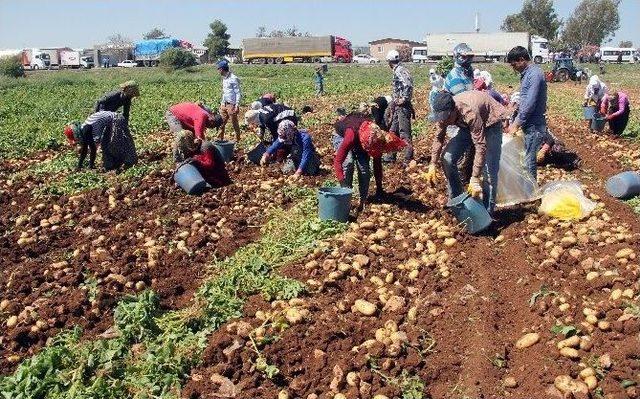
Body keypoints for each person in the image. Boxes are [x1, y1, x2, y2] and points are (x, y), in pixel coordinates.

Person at [425, 91, 508, 215]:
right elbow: (438, 138)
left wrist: (474, 178)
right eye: (441, 118)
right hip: (466, 126)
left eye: (447, 118)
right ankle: (458, 201)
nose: (444, 121)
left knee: (489, 171)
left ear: (454, 110)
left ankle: (486, 213)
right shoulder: (444, 115)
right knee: (447, 158)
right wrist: (432, 163)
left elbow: (480, 145)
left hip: (491, 122)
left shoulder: (470, 112)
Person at [506, 46, 548, 181]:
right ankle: (528, 189)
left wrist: (516, 123)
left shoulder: (534, 74)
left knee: (529, 160)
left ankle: (531, 194)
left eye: (514, 65)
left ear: (522, 59)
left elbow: (529, 103)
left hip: (533, 125)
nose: (514, 68)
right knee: (527, 158)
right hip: (530, 124)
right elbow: (524, 100)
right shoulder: (528, 74)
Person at [385, 49, 414, 164]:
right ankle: (391, 156)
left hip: (403, 107)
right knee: (393, 131)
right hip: (397, 107)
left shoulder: (400, 71)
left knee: (404, 133)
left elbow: (408, 84)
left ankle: (408, 159)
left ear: (389, 62)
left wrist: (404, 98)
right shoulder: (398, 70)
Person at [217, 60, 242, 142]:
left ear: (222, 69)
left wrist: (237, 105)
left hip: (232, 105)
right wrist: (222, 103)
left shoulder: (233, 78)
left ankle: (237, 140)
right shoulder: (224, 78)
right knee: (221, 122)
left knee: (234, 123)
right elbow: (225, 92)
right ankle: (219, 139)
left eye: (219, 69)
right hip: (224, 104)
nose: (218, 71)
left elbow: (238, 93)